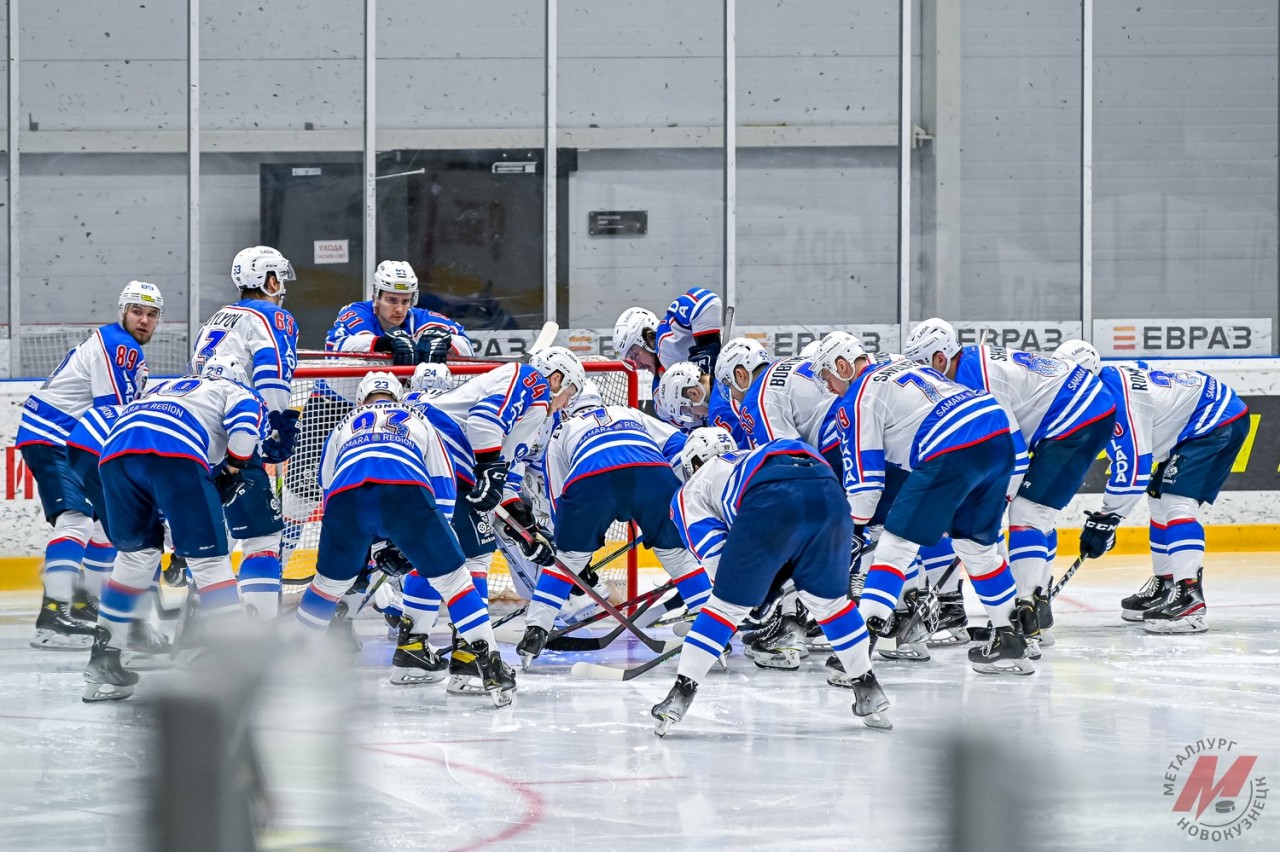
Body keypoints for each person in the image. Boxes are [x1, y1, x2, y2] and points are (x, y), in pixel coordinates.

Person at [810, 331, 1034, 676]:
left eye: (826, 377)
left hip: (951, 445)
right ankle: (1010, 640)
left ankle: (855, 652)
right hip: (997, 434)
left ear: (842, 366)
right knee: (977, 549)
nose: (827, 387)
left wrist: (852, 527)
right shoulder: (900, 364)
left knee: (894, 546)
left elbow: (867, 485)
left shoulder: (858, 397)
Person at [293, 371, 516, 706]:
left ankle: (292, 668)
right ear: (398, 398)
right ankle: (490, 663)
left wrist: (375, 542)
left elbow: (329, 486)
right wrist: (413, 543)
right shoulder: (418, 420)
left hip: (346, 501)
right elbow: (442, 486)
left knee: (326, 586)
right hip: (405, 491)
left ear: (360, 400)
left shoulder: (343, 424)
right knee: (456, 582)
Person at [654, 431, 891, 736]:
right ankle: (869, 690)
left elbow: (717, 562)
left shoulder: (689, 492)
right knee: (832, 607)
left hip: (770, 496)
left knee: (723, 609)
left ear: (692, 463)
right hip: (827, 487)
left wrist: (755, 597)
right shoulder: (747, 457)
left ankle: (679, 696)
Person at [903, 318, 1116, 648]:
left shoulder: (975, 381)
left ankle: (1023, 611)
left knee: (1027, 513)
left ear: (940, 359)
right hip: (1076, 412)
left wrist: (995, 499)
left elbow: (1014, 454)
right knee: (1032, 513)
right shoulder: (966, 370)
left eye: (922, 365)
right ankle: (1034, 610)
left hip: (1079, 414)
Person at [82, 355, 267, 701]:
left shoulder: (165, 387)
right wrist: (232, 470)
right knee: (210, 563)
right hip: (174, 453)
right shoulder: (237, 390)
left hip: (114, 453)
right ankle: (237, 666)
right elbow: (244, 432)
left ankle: (103, 663)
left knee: (135, 557)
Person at [283, 261, 473, 566]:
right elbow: (342, 344)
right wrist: (384, 341)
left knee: (384, 497)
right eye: (391, 300)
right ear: (376, 297)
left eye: (405, 301)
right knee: (299, 497)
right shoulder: (355, 312)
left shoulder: (423, 319)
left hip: (389, 418)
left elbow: (466, 344)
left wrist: (446, 343)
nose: (399, 309)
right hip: (331, 410)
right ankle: (278, 566)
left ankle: (372, 582)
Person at [514, 381, 714, 670]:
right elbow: (679, 446)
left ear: (569, 407)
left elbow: (558, 494)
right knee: (677, 556)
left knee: (566, 562)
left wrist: (573, 552)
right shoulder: (629, 413)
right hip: (651, 473)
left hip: (591, 479)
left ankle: (536, 630)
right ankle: (711, 634)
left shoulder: (562, 431)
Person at [1055, 341, 1248, 634]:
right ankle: (1166, 584)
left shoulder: (1119, 403)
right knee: (1158, 500)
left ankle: (1190, 600)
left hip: (1216, 419)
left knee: (1176, 502)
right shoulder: (1106, 382)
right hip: (1194, 417)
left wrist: (1107, 519)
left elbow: (1133, 469)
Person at [16, 280, 160, 649]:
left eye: (152, 314)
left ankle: (84, 602)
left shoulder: (118, 343)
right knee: (76, 521)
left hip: (65, 437)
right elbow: (113, 412)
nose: (144, 320)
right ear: (122, 312)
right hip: (55, 437)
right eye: (137, 311)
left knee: (101, 524)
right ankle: (53, 617)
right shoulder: (121, 347)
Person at [190, 246, 301, 617]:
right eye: (279, 278)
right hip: (236, 427)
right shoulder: (274, 316)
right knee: (262, 538)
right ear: (270, 280)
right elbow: (271, 371)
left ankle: (199, 626)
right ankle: (257, 636)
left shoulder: (216, 318)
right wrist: (276, 423)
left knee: (205, 538)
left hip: (194, 432)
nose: (282, 286)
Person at [613, 287, 724, 378]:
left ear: (646, 341)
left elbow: (705, 300)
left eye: (634, 355)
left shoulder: (664, 342)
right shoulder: (661, 379)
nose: (637, 366)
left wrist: (707, 351)